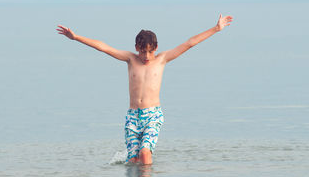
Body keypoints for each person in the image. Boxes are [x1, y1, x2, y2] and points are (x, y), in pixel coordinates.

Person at [56, 14, 233, 165]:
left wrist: (216, 28)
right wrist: (76, 37)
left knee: (145, 154)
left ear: (155, 48)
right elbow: (103, 47)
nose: (146, 56)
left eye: (149, 52)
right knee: (133, 161)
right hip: (132, 116)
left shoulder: (162, 59)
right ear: (136, 49)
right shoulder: (130, 59)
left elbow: (189, 43)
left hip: (152, 115)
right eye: (142, 52)